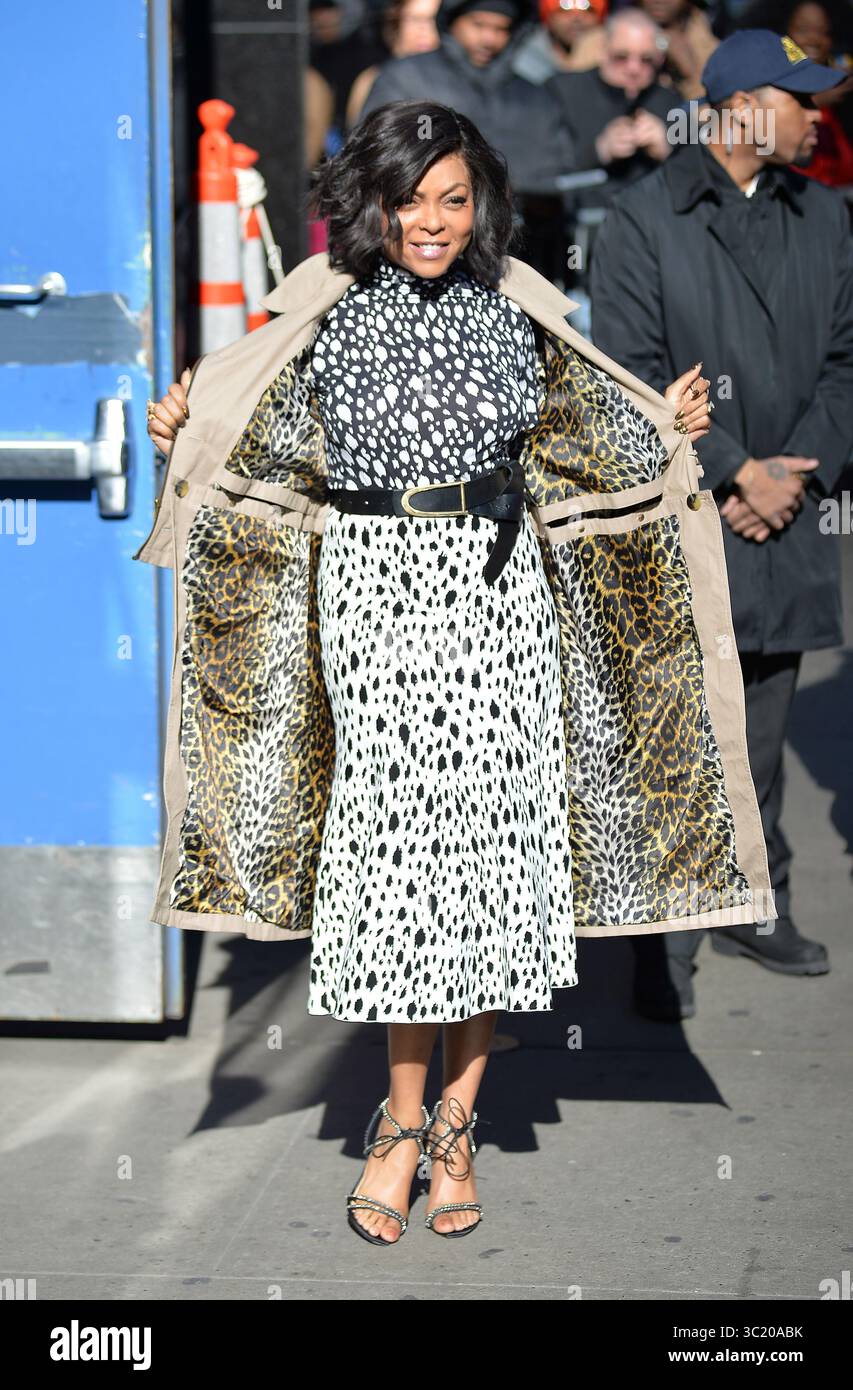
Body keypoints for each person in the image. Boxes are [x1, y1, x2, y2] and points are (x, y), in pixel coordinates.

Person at [143, 102, 774, 1249]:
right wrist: (179, 427)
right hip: (375, 593)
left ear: (480, 203)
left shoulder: (521, 308)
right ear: (369, 203)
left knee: (491, 856)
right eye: (409, 199)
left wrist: (666, 428)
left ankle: (455, 1123)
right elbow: (248, 448)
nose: (431, 221)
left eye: (452, 198)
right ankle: (395, 1122)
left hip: (496, 599)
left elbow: (590, 443)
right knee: (393, 857)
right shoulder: (317, 314)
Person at [589, 28, 853, 1019]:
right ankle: (667, 937)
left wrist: (789, 471)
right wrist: (733, 467)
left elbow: (845, 359)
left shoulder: (826, 216)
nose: (819, 116)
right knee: (678, 728)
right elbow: (628, 377)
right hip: (685, 518)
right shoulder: (639, 220)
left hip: (785, 514)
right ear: (743, 109)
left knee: (766, 725)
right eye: (803, 99)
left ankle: (755, 898)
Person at [357, 0, 577, 276]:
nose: (489, 38)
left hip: (516, 262)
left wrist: (518, 196)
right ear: (451, 22)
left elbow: (562, 182)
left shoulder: (536, 98)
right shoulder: (404, 80)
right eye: (478, 25)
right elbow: (368, 169)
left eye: (501, 28)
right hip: (408, 257)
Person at [569, 0, 719, 98]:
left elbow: (715, 127)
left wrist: (691, 78)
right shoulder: (596, 42)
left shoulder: (714, 51)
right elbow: (574, 102)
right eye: (622, 56)